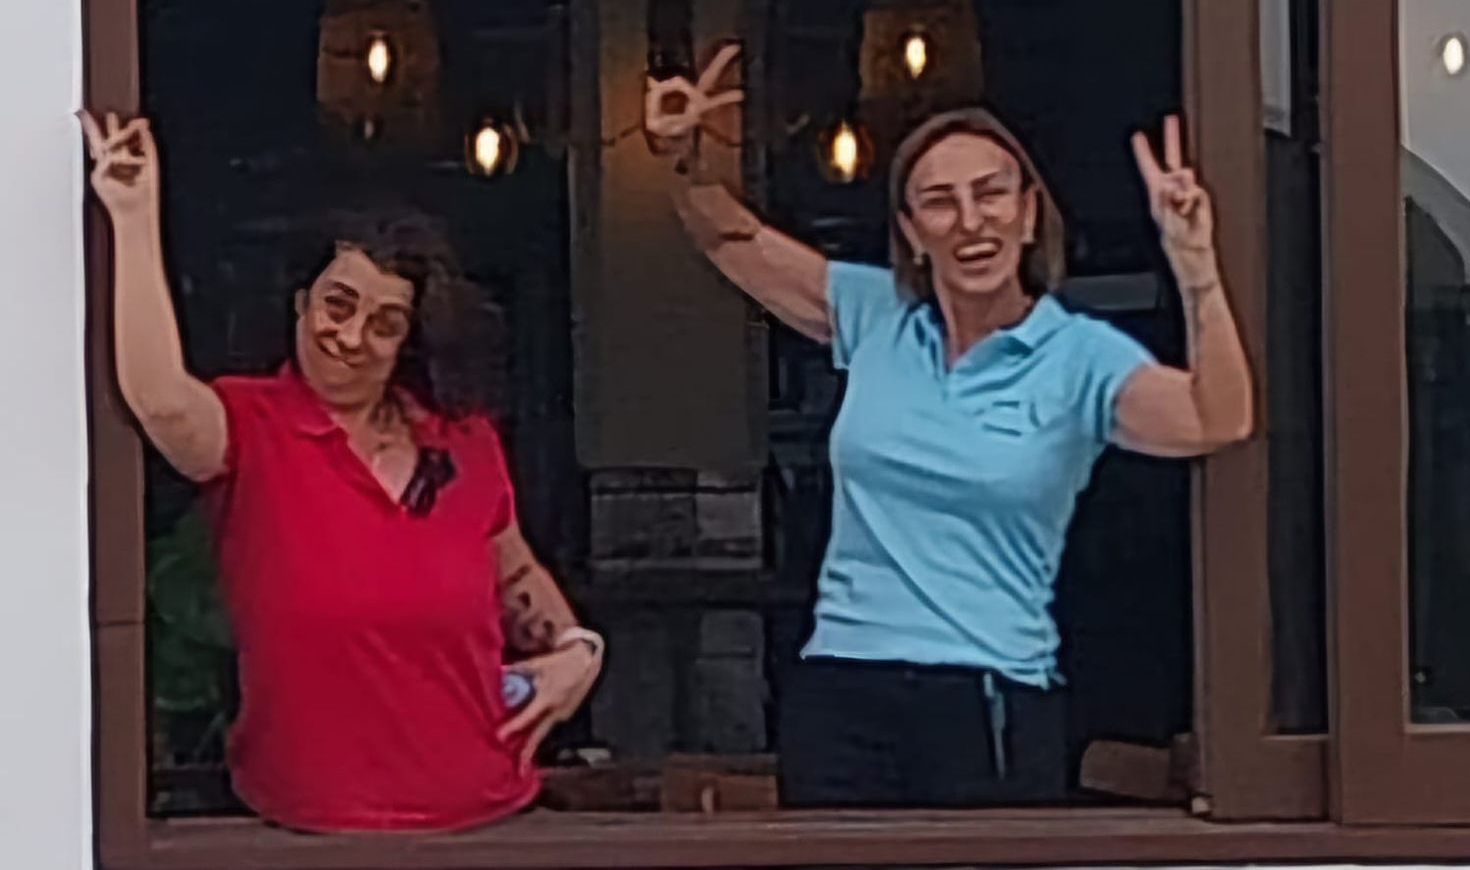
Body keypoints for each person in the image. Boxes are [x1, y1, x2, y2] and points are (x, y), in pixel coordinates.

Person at [643, 46, 1255, 809]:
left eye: (991, 193)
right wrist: (684, 157)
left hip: (985, 697)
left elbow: (1217, 415)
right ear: (910, 229)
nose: (970, 220)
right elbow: (730, 239)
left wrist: (1196, 267)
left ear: (1029, 212)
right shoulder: (876, 314)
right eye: (939, 200)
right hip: (842, 690)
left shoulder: (1077, 356)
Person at [80, 110, 603, 834]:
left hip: (487, 818)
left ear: (408, 340)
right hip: (312, 830)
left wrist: (578, 650)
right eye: (338, 302)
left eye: (384, 321)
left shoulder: (462, 440)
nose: (351, 335)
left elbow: (514, 574)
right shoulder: (253, 425)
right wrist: (134, 219)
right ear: (301, 301)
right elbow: (159, 397)